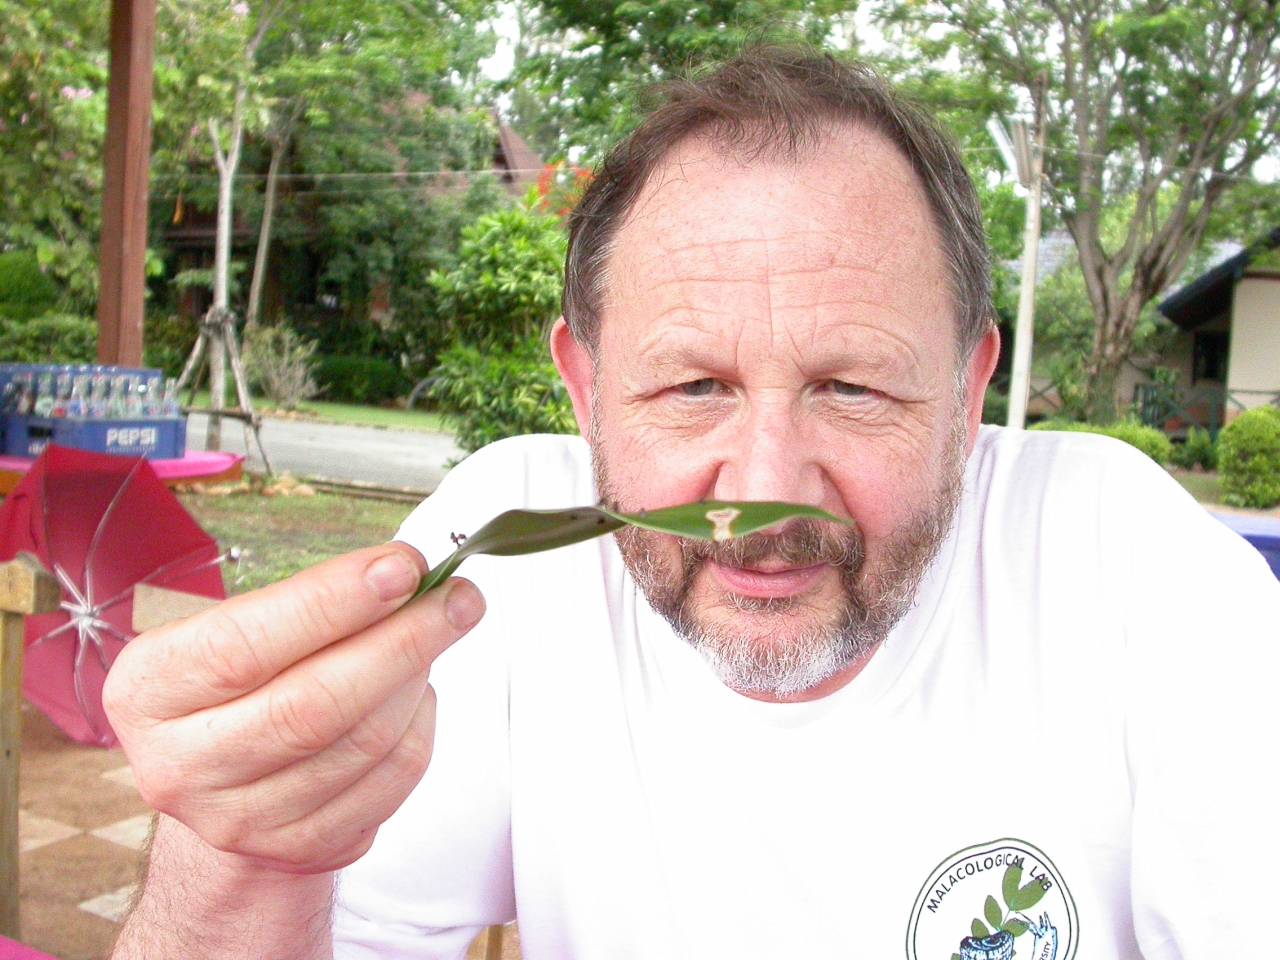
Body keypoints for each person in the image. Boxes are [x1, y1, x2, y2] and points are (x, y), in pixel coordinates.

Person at [104, 48, 1279, 960]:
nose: (763, 491)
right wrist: (238, 855)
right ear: (584, 388)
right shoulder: (506, 557)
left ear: (969, 389)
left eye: (852, 386)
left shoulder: (1131, 573)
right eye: (692, 386)